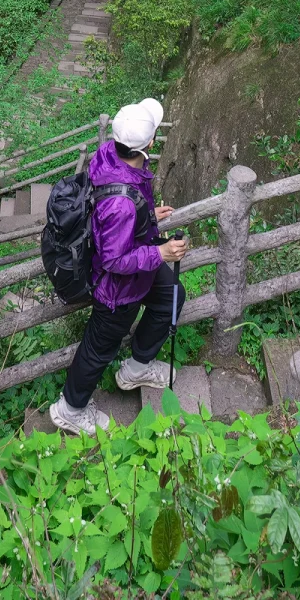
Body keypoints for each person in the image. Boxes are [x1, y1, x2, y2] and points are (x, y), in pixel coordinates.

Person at [49, 99, 188, 435]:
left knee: (172, 295)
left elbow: (109, 207)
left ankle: (137, 367)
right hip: (118, 288)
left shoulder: (110, 155)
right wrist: (162, 253)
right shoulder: (122, 203)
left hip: (138, 262)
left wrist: (146, 215)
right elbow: (113, 259)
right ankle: (70, 409)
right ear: (149, 143)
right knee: (98, 350)